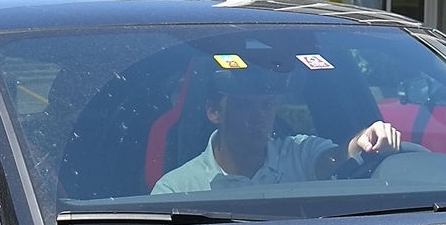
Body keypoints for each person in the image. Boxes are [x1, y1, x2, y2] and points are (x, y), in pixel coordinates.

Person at [151, 54, 404, 194]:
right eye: (243, 105)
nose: (259, 116)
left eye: (267, 105)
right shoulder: (176, 190)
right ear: (214, 111)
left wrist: (364, 140)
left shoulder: (298, 154)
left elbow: (336, 158)